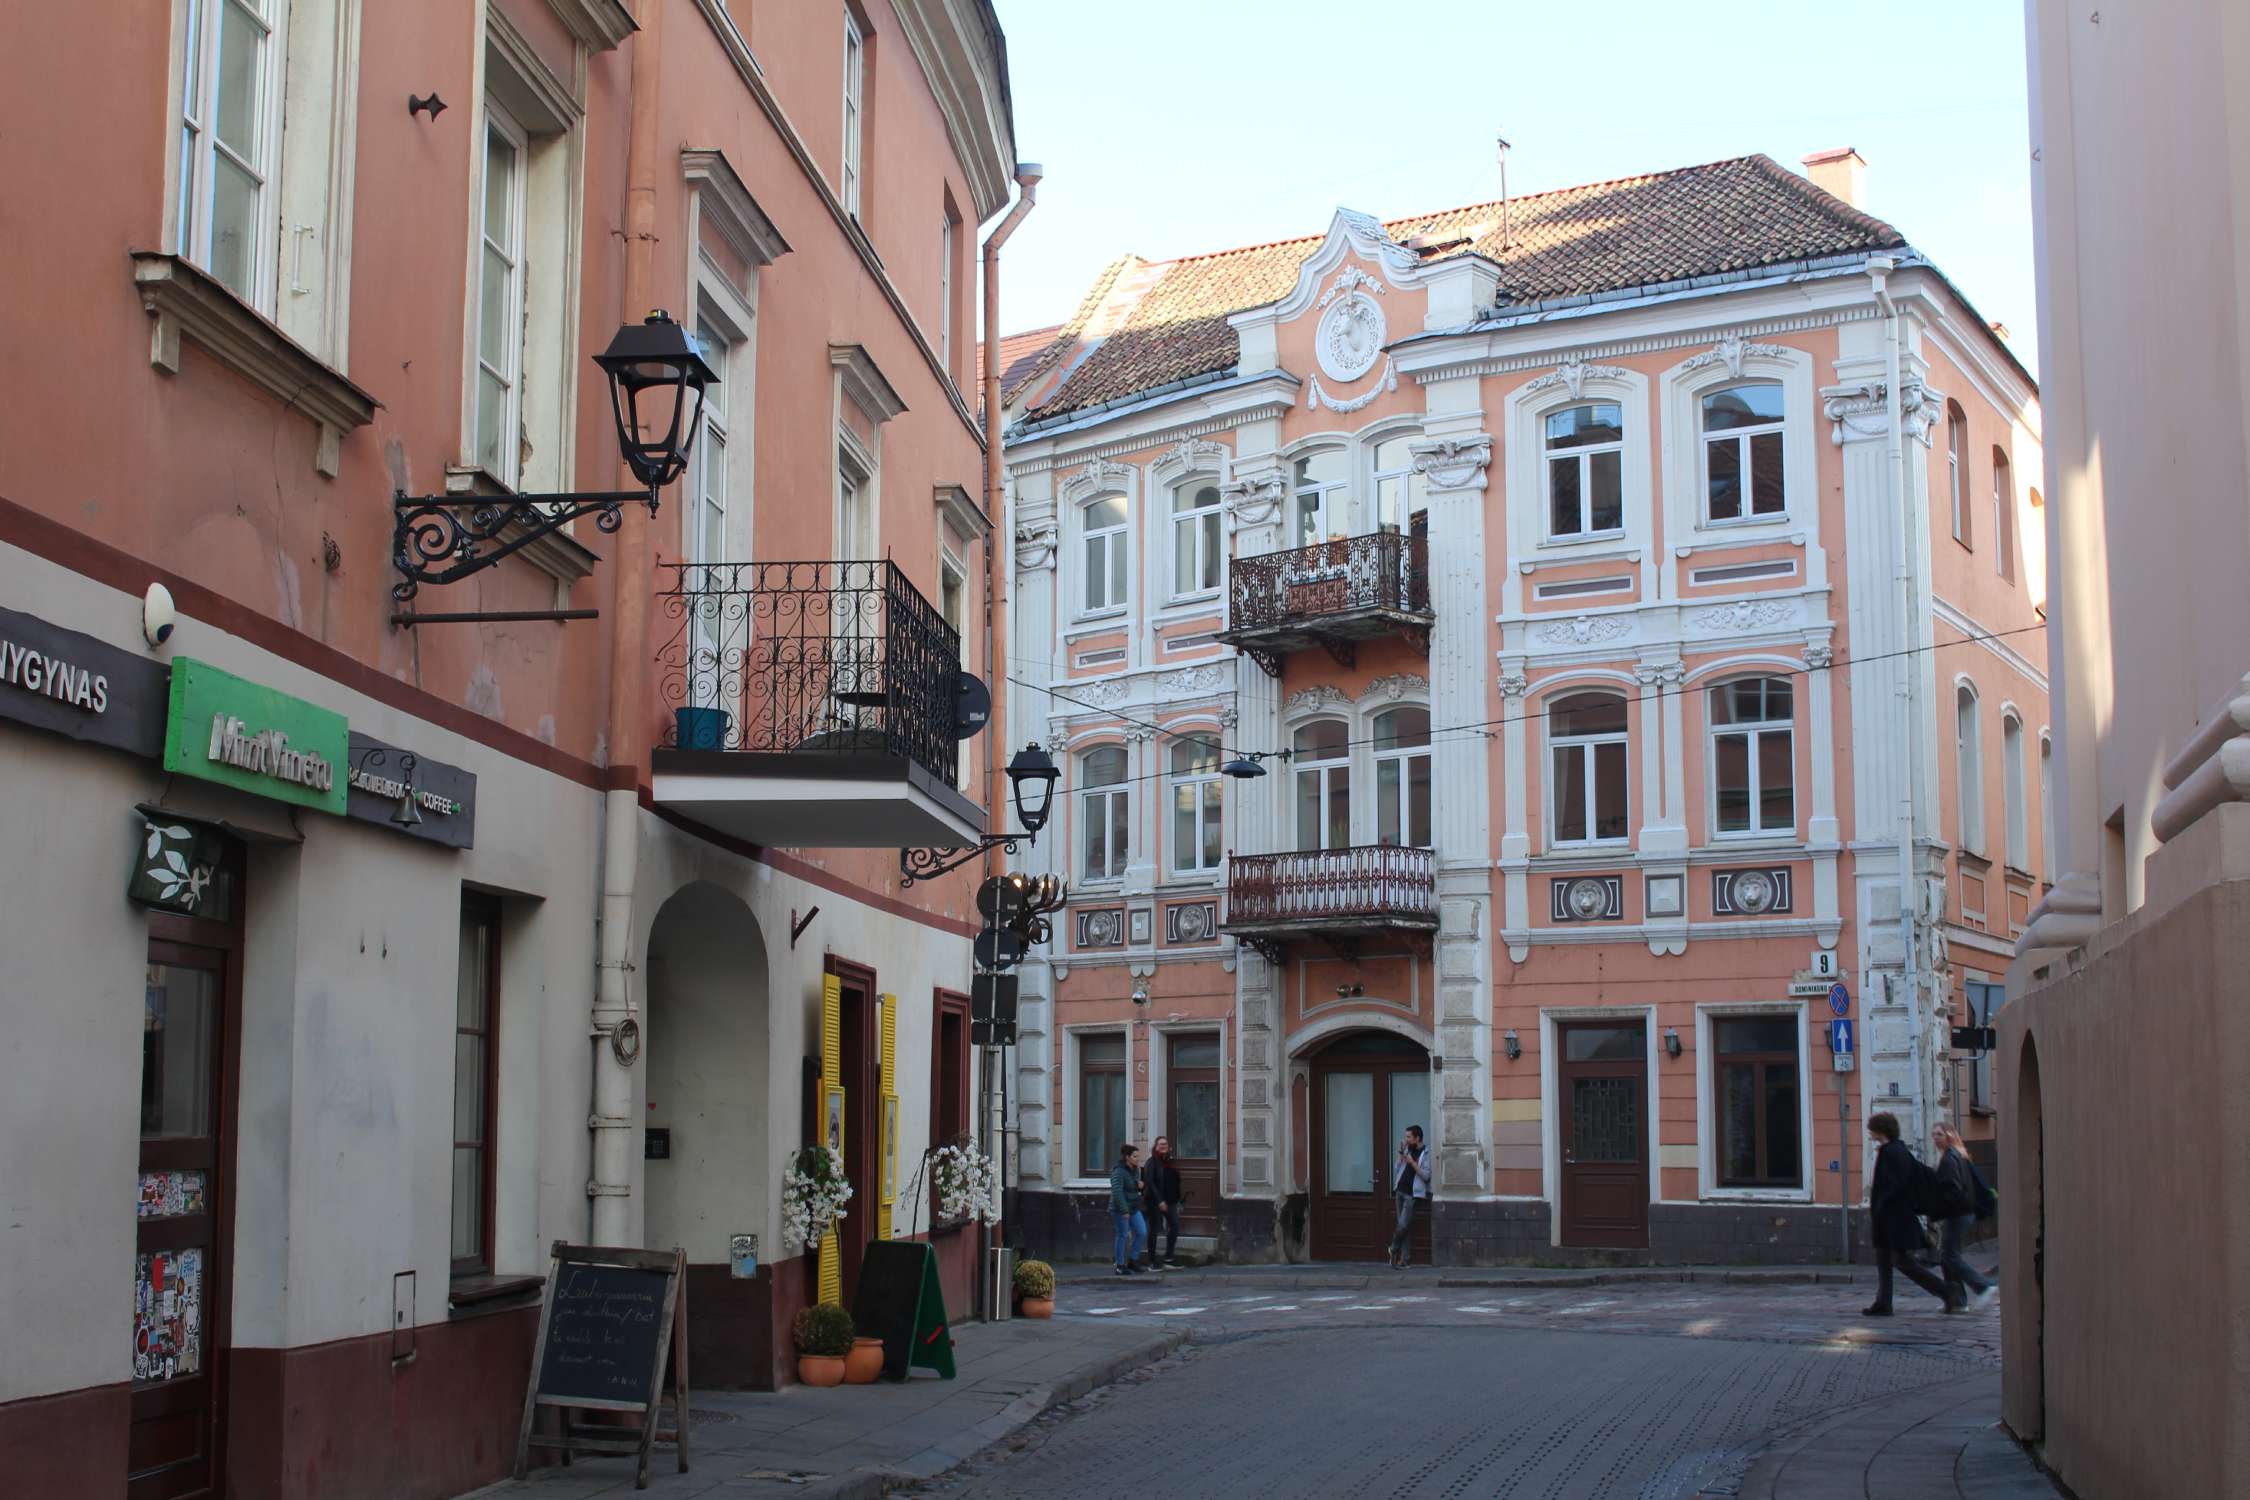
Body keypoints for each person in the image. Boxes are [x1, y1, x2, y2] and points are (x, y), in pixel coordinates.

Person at [1863, 1112, 1959, 1316]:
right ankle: (1883, 1303)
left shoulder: (1892, 1152)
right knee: (1883, 1259)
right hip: (1890, 1218)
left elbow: (1895, 1185)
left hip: (1894, 1218)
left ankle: (1945, 1290)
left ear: (1880, 1129)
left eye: (1872, 1129)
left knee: (1902, 1261)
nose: (1869, 1133)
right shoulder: (1896, 1149)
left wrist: (1881, 1204)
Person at [1931, 1123, 1997, 1311]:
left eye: (1939, 1134)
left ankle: (1984, 1286)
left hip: (1958, 1214)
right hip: (1962, 1213)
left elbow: (1953, 1190)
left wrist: (1938, 1209)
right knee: (1948, 1256)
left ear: (1949, 1136)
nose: (1935, 1138)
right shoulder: (1957, 1155)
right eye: (1933, 1135)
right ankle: (1958, 1301)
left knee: (1950, 1255)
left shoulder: (1950, 1159)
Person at [1387, 1124, 1432, 1269]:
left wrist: (1412, 1162)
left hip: (1412, 1195)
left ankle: (1393, 1248)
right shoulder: (1407, 1149)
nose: (1406, 1140)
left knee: (1402, 1225)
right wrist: (1400, 1154)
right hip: (1400, 1191)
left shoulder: (1426, 1153)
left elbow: (1426, 1176)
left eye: (1409, 1137)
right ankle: (1405, 1259)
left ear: (1417, 1138)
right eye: (1406, 1137)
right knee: (1404, 1227)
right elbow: (1397, 1168)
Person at [1141, 1136, 1183, 1269]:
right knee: (1154, 1230)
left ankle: (1168, 1258)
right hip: (1155, 1202)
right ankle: (1152, 1261)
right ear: (1155, 1146)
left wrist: (1178, 1199)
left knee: (1175, 1227)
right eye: (1160, 1144)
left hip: (1171, 1201)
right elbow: (1150, 1183)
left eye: (1165, 1144)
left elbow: (1174, 1181)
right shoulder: (1151, 1162)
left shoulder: (1170, 1161)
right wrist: (1160, 1201)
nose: (1163, 1146)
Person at [1109, 1142, 1147, 1276]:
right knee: (1122, 1235)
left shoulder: (1135, 1170)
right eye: (1135, 1156)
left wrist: (1139, 1186)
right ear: (1127, 1157)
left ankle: (1133, 1260)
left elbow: (1133, 1187)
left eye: (1138, 1156)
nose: (1138, 1159)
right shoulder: (1118, 1171)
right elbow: (1117, 1191)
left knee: (1142, 1232)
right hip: (1120, 1209)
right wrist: (1124, 1210)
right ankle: (1120, 1265)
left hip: (1133, 1207)